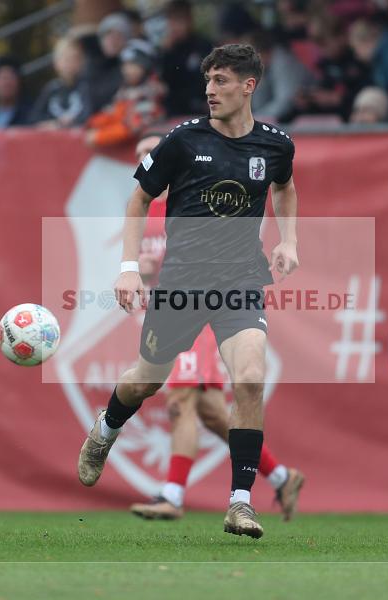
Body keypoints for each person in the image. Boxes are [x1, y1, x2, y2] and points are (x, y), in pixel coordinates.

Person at [77, 44, 299, 540]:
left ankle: (240, 503)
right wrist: (129, 269)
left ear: (248, 86)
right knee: (146, 379)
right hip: (181, 284)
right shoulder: (183, 139)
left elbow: (284, 187)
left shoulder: (276, 145)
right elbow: (139, 199)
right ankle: (106, 429)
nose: (209, 91)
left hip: (242, 278)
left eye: (220, 81)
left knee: (249, 376)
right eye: (207, 81)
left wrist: (290, 240)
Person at [126, 135, 304, 522]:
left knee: (180, 400)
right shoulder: (149, 215)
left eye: (150, 152)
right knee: (209, 411)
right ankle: (279, 475)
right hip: (175, 309)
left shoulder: (199, 203)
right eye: (139, 155)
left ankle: (172, 495)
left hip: (212, 308)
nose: (144, 160)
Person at [84, 39, 164, 147]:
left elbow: (134, 127)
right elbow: (113, 114)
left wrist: (99, 136)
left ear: (147, 67)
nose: (128, 70)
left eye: (134, 65)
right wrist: (91, 124)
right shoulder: (126, 90)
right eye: (125, 65)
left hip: (145, 151)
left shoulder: (149, 92)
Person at [160, 0, 214, 117]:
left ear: (189, 21)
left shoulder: (203, 46)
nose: (175, 27)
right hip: (173, 111)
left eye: (179, 21)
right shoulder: (167, 50)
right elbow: (164, 81)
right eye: (172, 21)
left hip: (199, 109)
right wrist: (167, 53)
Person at [31, 36, 92, 128]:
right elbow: (34, 118)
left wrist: (70, 123)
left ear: (81, 62)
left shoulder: (86, 87)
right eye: (66, 59)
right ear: (57, 63)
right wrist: (52, 124)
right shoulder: (51, 89)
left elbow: (89, 116)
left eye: (74, 59)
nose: (69, 64)